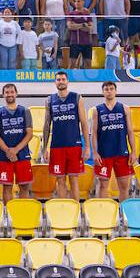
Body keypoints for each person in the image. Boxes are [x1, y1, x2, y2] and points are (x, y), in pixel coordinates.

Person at [43, 71, 89, 199]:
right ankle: (63, 213)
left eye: (63, 79)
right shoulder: (49, 100)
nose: (61, 81)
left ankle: (75, 212)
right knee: (60, 180)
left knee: (73, 180)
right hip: (57, 146)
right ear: (55, 82)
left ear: (68, 81)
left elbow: (84, 124)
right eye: (58, 79)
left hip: (74, 145)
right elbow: (47, 125)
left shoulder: (77, 97)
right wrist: (44, 148)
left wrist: (88, 147)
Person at [90, 81, 135, 199]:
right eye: (106, 89)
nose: (109, 91)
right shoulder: (97, 110)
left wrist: (134, 152)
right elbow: (93, 133)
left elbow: (130, 131)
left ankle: (122, 213)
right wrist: (94, 153)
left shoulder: (125, 108)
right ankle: (104, 215)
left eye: (111, 89)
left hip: (122, 152)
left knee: (124, 186)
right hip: (104, 154)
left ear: (116, 91)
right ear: (103, 92)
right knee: (103, 185)